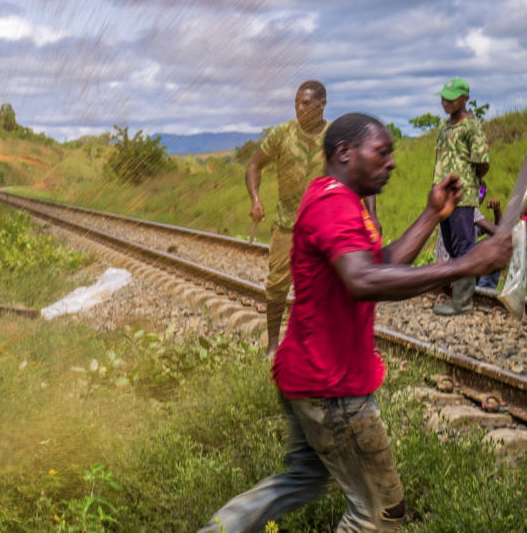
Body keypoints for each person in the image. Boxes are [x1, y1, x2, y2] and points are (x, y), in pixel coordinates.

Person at [201, 113, 511, 533]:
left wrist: (432, 214)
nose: (392, 163)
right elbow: (364, 281)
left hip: (307, 373)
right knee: (381, 515)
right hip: (333, 390)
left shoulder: (337, 198)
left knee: (304, 479)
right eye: (381, 152)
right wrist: (465, 264)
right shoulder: (334, 204)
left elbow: (375, 264)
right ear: (345, 153)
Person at [245, 80, 328, 356]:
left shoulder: (334, 135)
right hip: (286, 224)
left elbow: (358, 172)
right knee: (277, 284)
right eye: (296, 103)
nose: (299, 108)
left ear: (322, 104)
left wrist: (370, 214)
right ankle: (272, 345)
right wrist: (256, 198)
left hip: (322, 226)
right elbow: (255, 165)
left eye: (306, 103)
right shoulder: (282, 134)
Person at [430, 77, 490, 315]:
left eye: (452, 98)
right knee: (452, 246)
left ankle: (463, 302)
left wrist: (469, 182)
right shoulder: (444, 127)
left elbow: (482, 162)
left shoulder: (471, 126)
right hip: (443, 197)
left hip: (462, 197)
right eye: (444, 98)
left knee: (464, 247)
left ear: (465, 99)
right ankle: (458, 296)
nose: (446, 102)